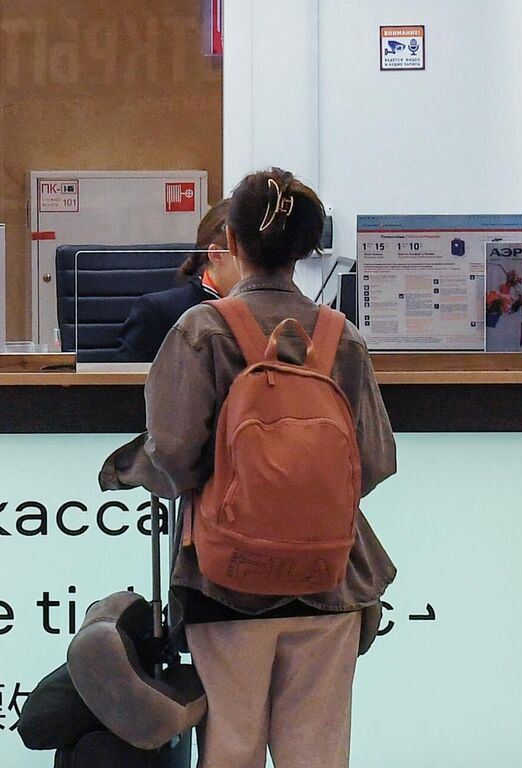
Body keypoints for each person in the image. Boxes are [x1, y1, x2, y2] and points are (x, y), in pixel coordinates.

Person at [140, 169, 397, 767]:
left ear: (229, 240)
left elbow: (173, 456)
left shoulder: (202, 332)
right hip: (330, 578)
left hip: (225, 579)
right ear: (308, 248)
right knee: (319, 754)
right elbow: (376, 461)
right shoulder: (344, 339)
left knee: (230, 748)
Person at [116, 199, 239, 362]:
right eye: (253, 254)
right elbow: (126, 384)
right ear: (216, 254)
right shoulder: (156, 312)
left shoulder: (273, 307)